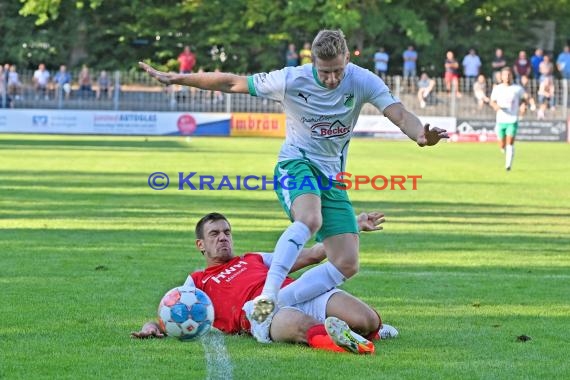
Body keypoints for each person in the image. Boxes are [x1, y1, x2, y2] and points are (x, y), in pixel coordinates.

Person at [139, 28, 448, 325]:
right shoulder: (290, 79)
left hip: (332, 177)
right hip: (296, 163)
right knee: (310, 219)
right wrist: (179, 78)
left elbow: (400, 114)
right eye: (324, 72)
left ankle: (274, 303)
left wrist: (421, 135)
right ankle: (269, 293)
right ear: (312, 62)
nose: (332, 79)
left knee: (347, 263)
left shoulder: (363, 80)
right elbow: (233, 82)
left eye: (338, 71)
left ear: (348, 62)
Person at [131, 211, 398, 354]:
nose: (223, 238)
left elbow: (313, 254)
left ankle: (370, 330)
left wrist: (352, 225)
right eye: (214, 234)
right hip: (259, 313)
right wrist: (150, 327)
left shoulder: (254, 258)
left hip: (300, 292)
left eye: (226, 232)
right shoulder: (197, 282)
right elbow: (172, 314)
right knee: (297, 324)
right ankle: (350, 344)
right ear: (200, 244)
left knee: (367, 319)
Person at [489, 67, 531, 171]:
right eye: (505, 75)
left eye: (509, 75)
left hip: (512, 120)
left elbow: (526, 97)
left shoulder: (517, 88)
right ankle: (503, 148)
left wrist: (524, 105)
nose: (507, 77)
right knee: (502, 144)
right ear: (501, 77)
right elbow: (492, 101)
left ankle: (508, 165)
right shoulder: (497, 88)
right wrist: (496, 106)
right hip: (500, 120)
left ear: (511, 76)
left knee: (510, 143)